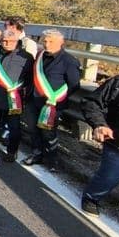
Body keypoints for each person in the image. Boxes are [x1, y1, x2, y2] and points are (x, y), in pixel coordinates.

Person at [24, 29, 80, 171]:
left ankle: (51, 159)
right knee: (33, 129)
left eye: (51, 42)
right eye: (45, 41)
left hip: (52, 104)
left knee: (48, 132)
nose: (47, 44)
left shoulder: (69, 61)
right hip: (33, 100)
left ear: (61, 43)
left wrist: (56, 98)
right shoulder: (40, 56)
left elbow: (74, 84)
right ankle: (36, 153)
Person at [0, 29, 33, 162]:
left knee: (14, 127)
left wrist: (25, 94)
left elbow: (30, 78)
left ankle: (11, 151)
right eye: (3, 41)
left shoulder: (26, 56)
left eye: (9, 41)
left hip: (13, 98)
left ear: (17, 41)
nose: (6, 43)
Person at [80, 72, 119, 215]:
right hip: (118, 144)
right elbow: (92, 102)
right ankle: (91, 197)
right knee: (108, 177)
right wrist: (99, 124)